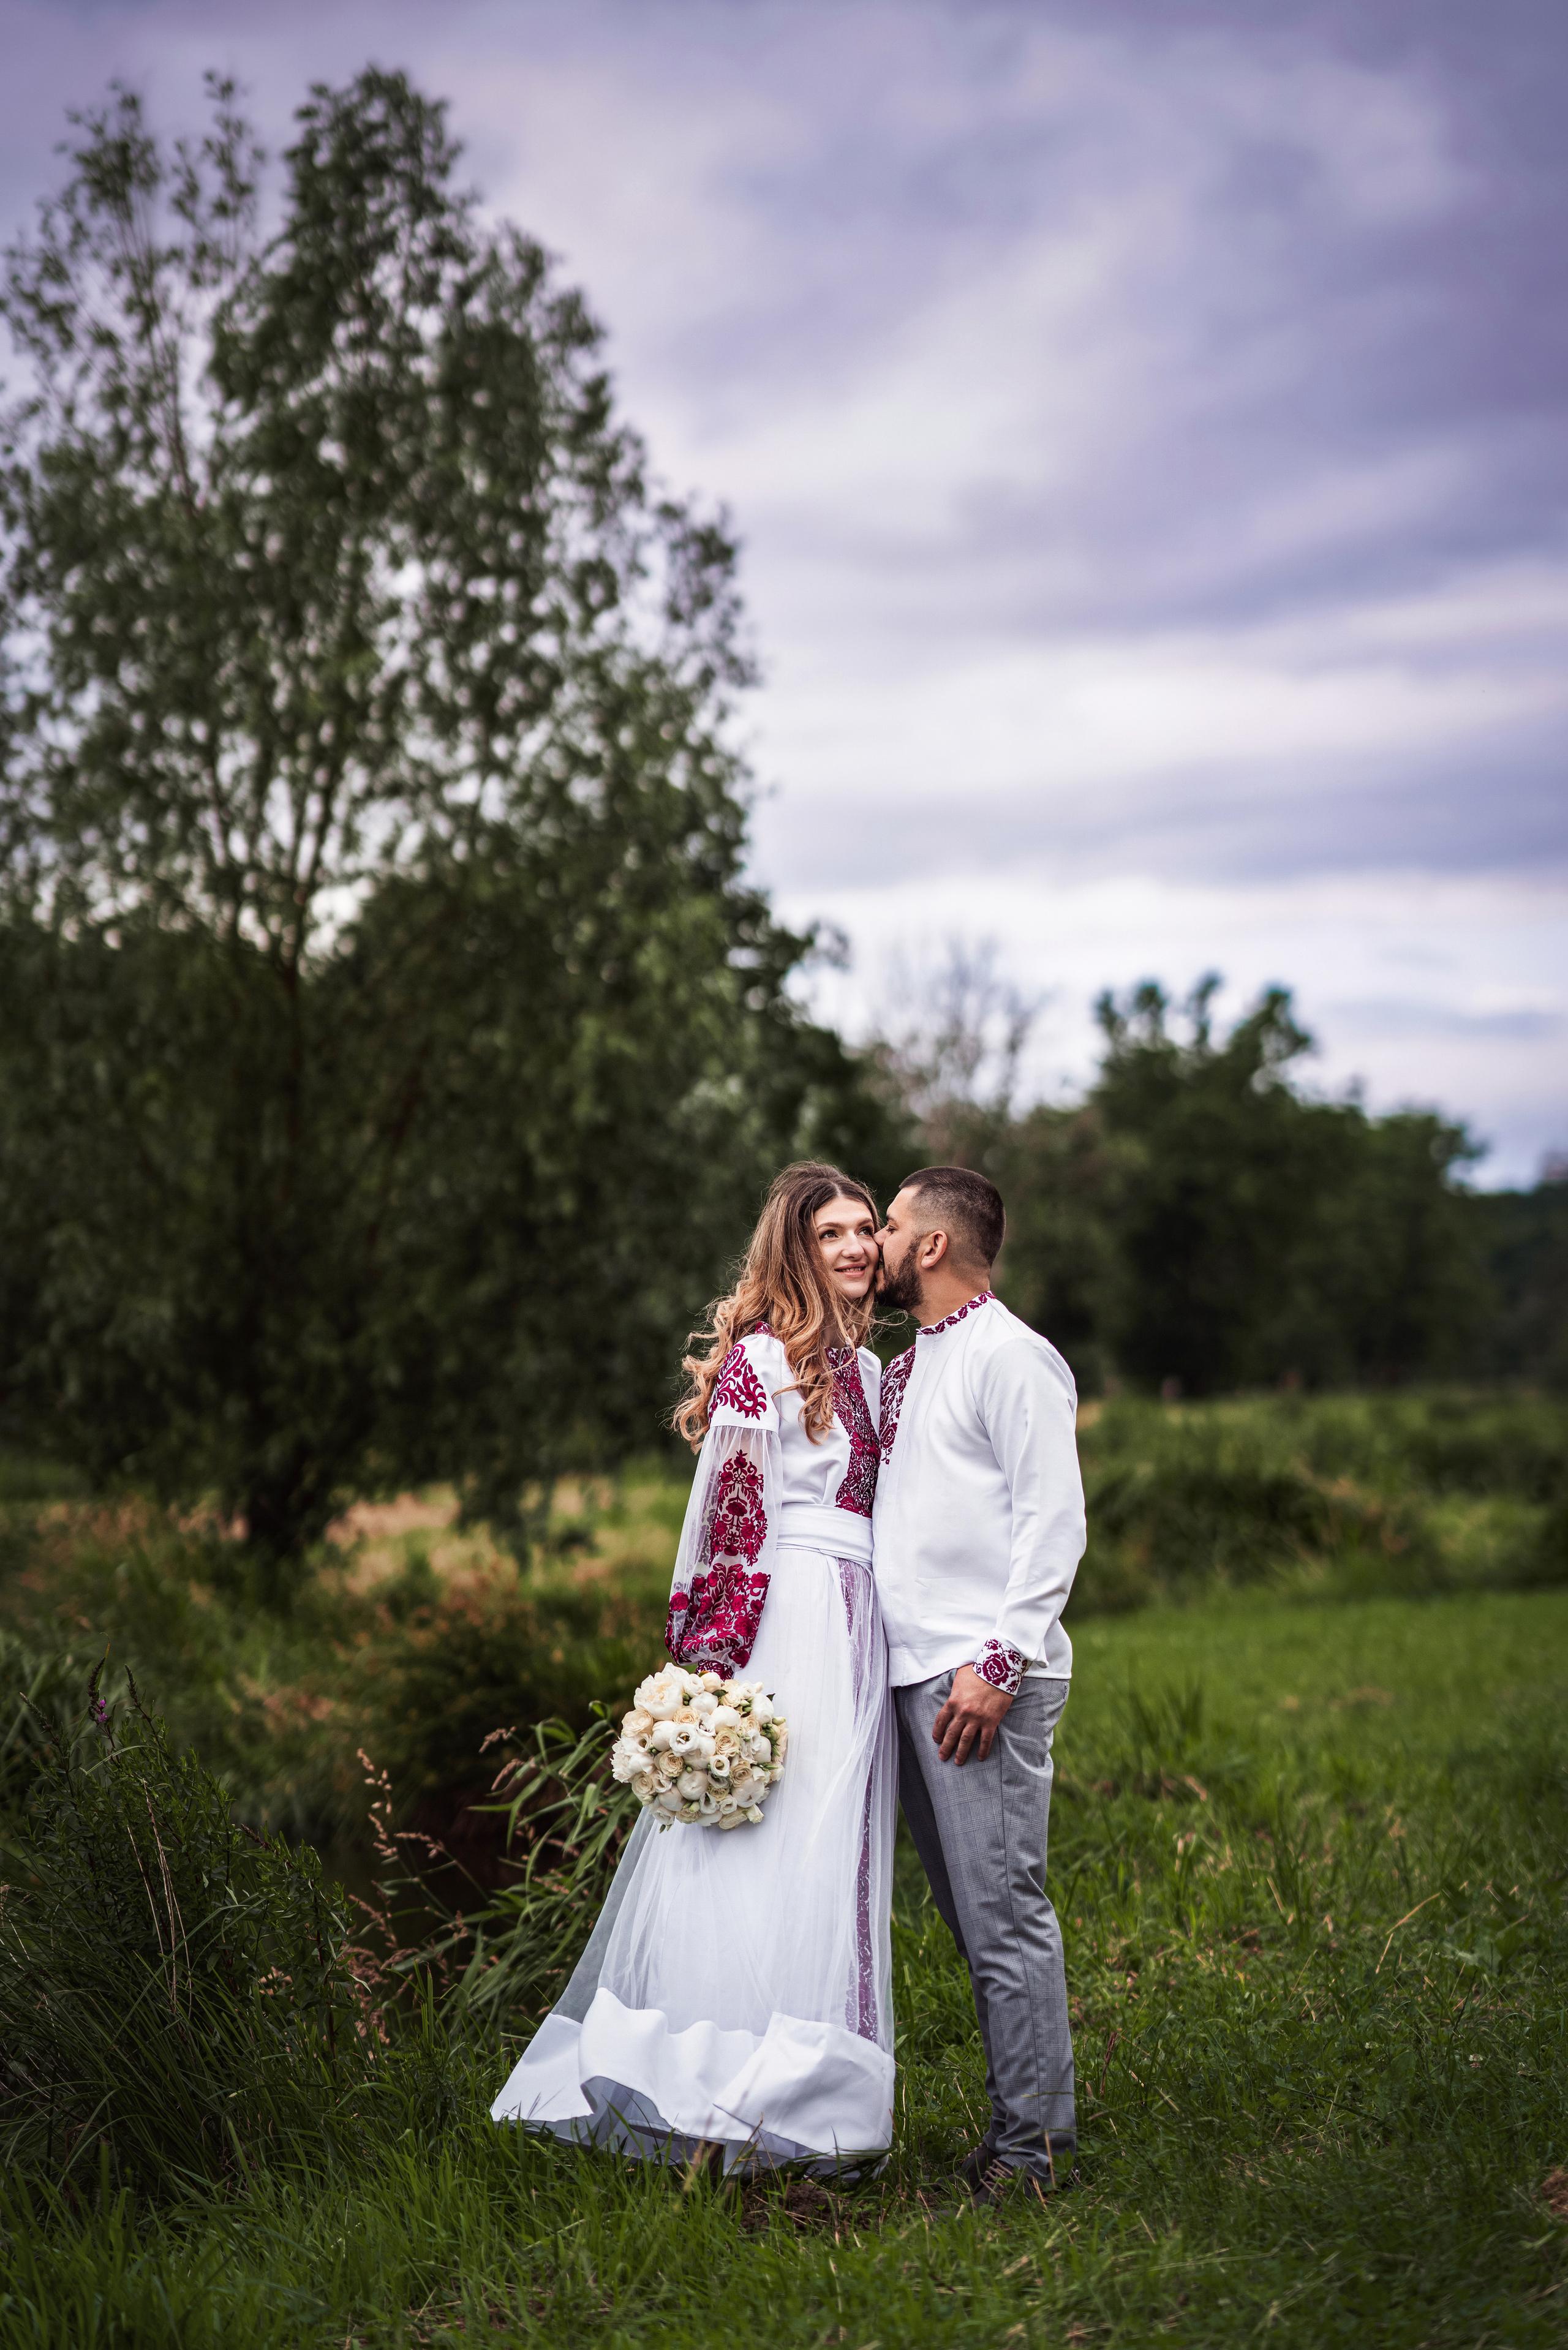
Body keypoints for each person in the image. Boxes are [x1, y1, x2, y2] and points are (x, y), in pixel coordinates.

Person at [491, 1162, 896, 2176]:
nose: (853, 1248)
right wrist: (713, 1676)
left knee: (835, 1852)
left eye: (864, 1230)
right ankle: (714, 2089)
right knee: (764, 1844)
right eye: (831, 1233)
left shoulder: (878, 1373)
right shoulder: (762, 1358)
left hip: (864, 1620)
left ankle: (819, 2099)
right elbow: (729, 1518)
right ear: (795, 1250)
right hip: (790, 1616)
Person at [872, 1164, 1087, 2205]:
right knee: (974, 1918)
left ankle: (1034, 2152)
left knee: (1005, 1915)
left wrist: (999, 1664)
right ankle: (1022, 2127)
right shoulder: (908, 1367)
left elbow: (1055, 1522)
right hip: (916, 1679)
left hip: (981, 1681)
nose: (874, 1238)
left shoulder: (1015, 1357)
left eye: (891, 1223)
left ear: (931, 1248)